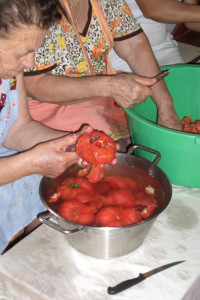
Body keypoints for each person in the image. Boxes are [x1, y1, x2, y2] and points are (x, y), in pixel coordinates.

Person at [0, 0, 97, 254]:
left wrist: (73, 143)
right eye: (21, 52)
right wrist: (31, 162)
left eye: (36, 48)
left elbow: (17, 128)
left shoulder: (10, 68)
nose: (30, 62)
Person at [24, 0, 182, 148]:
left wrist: (165, 105)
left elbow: (134, 46)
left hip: (99, 93)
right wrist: (109, 86)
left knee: (147, 118)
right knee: (109, 148)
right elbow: (36, 84)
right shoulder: (33, 8)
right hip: (47, 106)